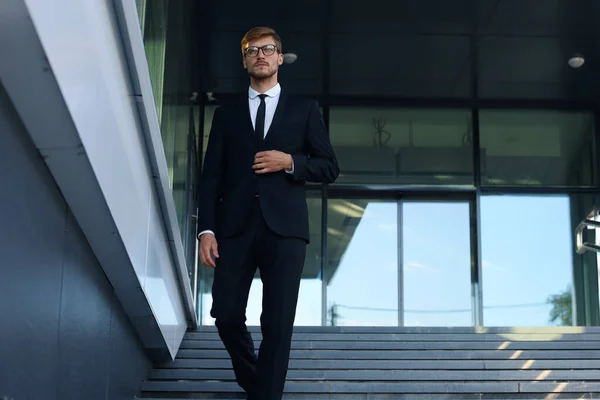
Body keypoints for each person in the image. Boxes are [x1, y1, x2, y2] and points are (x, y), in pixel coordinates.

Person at [196, 26, 339, 400]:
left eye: (268, 49)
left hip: (285, 230)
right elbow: (211, 177)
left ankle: (266, 395)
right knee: (225, 314)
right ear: (245, 61)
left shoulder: (304, 109)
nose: (261, 54)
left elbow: (329, 166)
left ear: (279, 58)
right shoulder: (225, 115)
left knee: (277, 323)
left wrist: (290, 161)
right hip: (235, 229)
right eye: (252, 50)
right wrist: (206, 231)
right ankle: (259, 383)